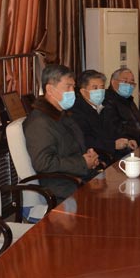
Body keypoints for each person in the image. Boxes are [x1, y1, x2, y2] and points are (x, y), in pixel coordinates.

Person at [22, 65, 100, 201]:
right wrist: (82, 162)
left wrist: (90, 156)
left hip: (79, 176)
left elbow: (74, 146)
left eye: (73, 87)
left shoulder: (62, 114)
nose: (72, 92)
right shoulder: (40, 122)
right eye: (68, 87)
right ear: (50, 89)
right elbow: (43, 163)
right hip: (61, 187)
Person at [70, 69, 136, 164]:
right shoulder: (76, 111)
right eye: (95, 88)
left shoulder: (104, 105)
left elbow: (112, 129)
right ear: (83, 91)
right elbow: (86, 140)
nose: (100, 91)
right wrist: (113, 145)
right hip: (95, 158)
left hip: (111, 155)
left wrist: (126, 140)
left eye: (102, 87)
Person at [103, 67, 140, 146]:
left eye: (132, 82)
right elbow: (116, 128)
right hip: (127, 144)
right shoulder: (108, 100)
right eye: (125, 81)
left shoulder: (128, 99)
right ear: (113, 82)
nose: (129, 85)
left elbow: (137, 121)